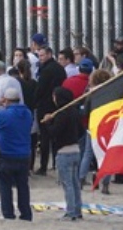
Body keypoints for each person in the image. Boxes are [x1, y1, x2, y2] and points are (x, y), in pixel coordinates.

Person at [0, 88, 33, 221]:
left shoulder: (3, 115)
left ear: (6, 100)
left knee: (5, 186)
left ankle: (8, 214)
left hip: (7, 154)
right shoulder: (27, 113)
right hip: (24, 154)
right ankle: (25, 213)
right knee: (23, 186)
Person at [42, 87, 82, 221]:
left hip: (64, 152)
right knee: (75, 183)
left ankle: (71, 212)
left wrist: (48, 123)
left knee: (68, 184)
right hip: (75, 150)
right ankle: (77, 210)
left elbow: (54, 133)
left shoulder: (61, 114)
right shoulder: (74, 112)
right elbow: (82, 130)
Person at [35, 47, 67, 175]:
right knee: (56, 135)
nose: (40, 58)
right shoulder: (59, 68)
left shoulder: (46, 70)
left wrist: (35, 101)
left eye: (42, 55)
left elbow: (40, 89)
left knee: (44, 137)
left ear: (49, 54)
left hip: (45, 106)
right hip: (57, 105)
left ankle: (43, 166)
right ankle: (55, 163)